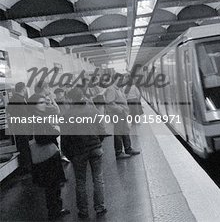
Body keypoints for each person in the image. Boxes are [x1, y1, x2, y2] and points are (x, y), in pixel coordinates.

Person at [62, 88, 107, 219]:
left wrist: (70, 155)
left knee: (80, 182)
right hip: (95, 149)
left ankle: (83, 211)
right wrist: (98, 142)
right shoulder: (92, 110)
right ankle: (100, 207)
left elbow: (64, 140)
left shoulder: (67, 115)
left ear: (71, 99)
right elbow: (102, 130)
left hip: (78, 153)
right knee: (98, 179)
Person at [28, 94, 70, 220]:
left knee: (52, 186)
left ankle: (56, 208)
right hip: (47, 157)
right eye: (41, 103)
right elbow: (41, 139)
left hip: (45, 156)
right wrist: (55, 131)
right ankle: (55, 211)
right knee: (52, 186)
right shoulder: (37, 119)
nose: (44, 105)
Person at [104, 74, 140, 158]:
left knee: (125, 131)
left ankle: (128, 149)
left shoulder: (119, 89)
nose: (121, 81)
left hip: (123, 114)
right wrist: (119, 109)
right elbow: (109, 103)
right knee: (118, 133)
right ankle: (119, 152)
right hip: (117, 114)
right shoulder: (111, 89)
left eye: (122, 79)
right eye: (119, 79)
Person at [7, 82, 32, 174]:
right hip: (23, 127)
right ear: (23, 89)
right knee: (25, 147)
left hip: (17, 127)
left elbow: (9, 110)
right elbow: (24, 114)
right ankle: (27, 168)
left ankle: (25, 167)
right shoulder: (20, 99)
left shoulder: (13, 98)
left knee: (21, 147)